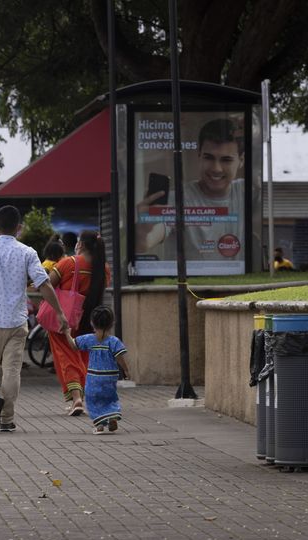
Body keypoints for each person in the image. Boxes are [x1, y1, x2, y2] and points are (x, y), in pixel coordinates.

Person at [0, 205, 68, 432]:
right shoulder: (27, 252)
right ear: (19, 227)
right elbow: (44, 284)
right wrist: (59, 312)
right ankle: (7, 419)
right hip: (17, 322)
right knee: (11, 370)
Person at [135, 118, 244, 260]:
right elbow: (144, 244)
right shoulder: (177, 199)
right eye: (208, 158)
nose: (216, 168)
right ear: (199, 155)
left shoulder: (245, 191)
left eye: (226, 160)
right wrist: (143, 229)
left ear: (241, 160)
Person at [48, 230, 111, 414]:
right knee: (84, 357)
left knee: (67, 356)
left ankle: (76, 399)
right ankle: (84, 397)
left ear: (81, 244)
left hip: (65, 319)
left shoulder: (69, 263)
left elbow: (47, 285)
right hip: (89, 319)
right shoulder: (104, 268)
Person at [64, 305, 130, 434]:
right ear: (112, 323)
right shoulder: (114, 341)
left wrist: (67, 333)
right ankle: (112, 416)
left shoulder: (89, 339)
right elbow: (120, 358)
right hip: (110, 377)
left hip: (94, 377)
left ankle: (99, 425)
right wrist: (126, 370)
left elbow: (73, 345)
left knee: (93, 399)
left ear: (92, 323)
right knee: (110, 397)